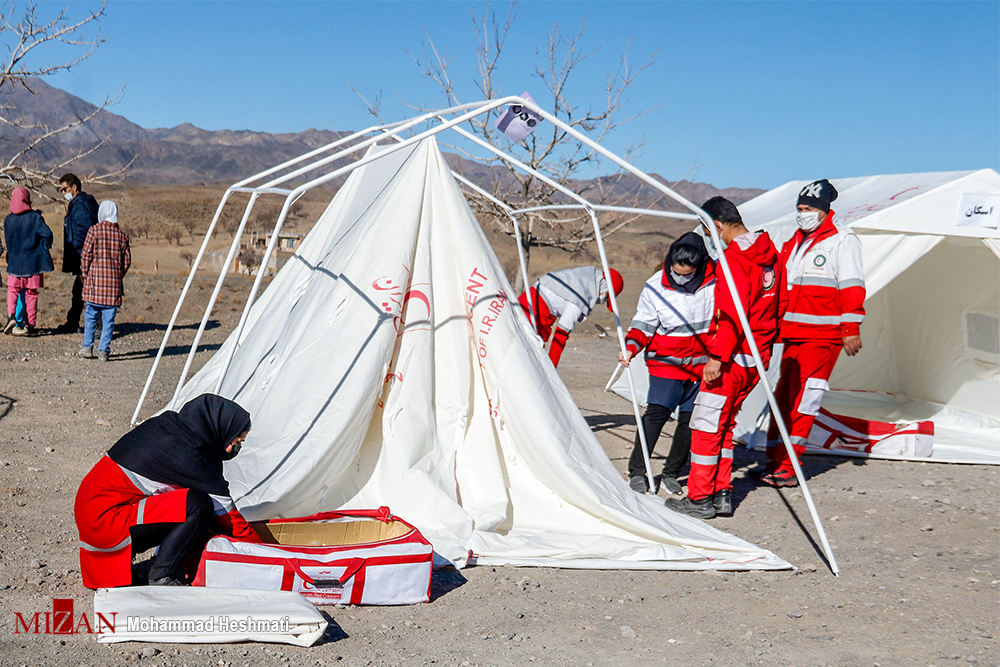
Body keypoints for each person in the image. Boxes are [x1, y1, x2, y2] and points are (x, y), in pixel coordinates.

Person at [666, 197, 783, 519]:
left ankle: (700, 497)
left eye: (707, 230)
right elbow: (779, 304)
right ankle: (721, 492)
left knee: (705, 426)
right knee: (726, 425)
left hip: (730, 360)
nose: (708, 237)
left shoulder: (735, 260)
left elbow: (732, 314)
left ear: (717, 225)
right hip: (755, 358)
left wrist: (717, 358)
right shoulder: (771, 254)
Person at [75, 394, 262, 588]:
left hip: (95, 512)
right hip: (104, 521)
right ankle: (163, 575)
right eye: (236, 441)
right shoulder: (191, 455)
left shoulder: (172, 429)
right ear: (220, 429)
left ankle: (159, 567)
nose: (234, 448)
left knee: (189, 504)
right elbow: (230, 519)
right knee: (198, 505)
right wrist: (265, 552)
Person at [759, 179, 865, 487]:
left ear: (823, 210)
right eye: (799, 208)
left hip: (823, 336)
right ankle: (774, 461)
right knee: (783, 398)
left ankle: (790, 467)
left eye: (807, 209)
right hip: (792, 335)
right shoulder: (795, 242)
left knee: (804, 401)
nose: (801, 214)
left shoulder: (842, 240)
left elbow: (851, 285)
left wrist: (850, 327)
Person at [618, 232, 715, 495]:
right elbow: (643, 324)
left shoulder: (716, 281)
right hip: (667, 364)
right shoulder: (655, 287)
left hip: (702, 366)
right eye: (676, 272)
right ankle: (637, 471)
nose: (680, 278)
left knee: (689, 421)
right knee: (656, 416)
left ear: (701, 266)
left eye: (687, 273)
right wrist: (631, 347)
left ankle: (672, 472)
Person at [517, 265, 624, 367]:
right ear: (604, 288)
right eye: (606, 298)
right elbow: (560, 336)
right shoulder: (582, 296)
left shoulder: (585, 278)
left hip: (527, 302)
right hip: (533, 313)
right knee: (528, 360)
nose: (601, 302)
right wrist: (551, 370)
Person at [78, 200, 131, 361]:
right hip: (113, 286)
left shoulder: (94, 231)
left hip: (95, 284)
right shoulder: (122, 236)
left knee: (90, 316)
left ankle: (87, 346)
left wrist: (85, 274)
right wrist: (117, 275)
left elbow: (85, 255)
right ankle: (104, 350)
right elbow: (127, 261)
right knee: (109, 321)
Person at [3, 187, 54, 337]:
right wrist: (44, 247)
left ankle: (12, 317)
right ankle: (30, 324)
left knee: (13, 291)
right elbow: (48, 234)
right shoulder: (35, 217)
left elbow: (8, 242)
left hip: (14, 262)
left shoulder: (8, 220)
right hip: (34, 262)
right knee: (31, 294)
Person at [57, 173, 99, 334]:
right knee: (80, 290)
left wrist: (78, 249)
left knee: (88, 291)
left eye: (65, 189)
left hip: (83, 255)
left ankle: (96, 326)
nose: (63, 193)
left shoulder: (80, 205)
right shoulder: (87, 202)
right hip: (86, 255)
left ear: (74, 187)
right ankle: (74, 321)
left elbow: (84, 230)